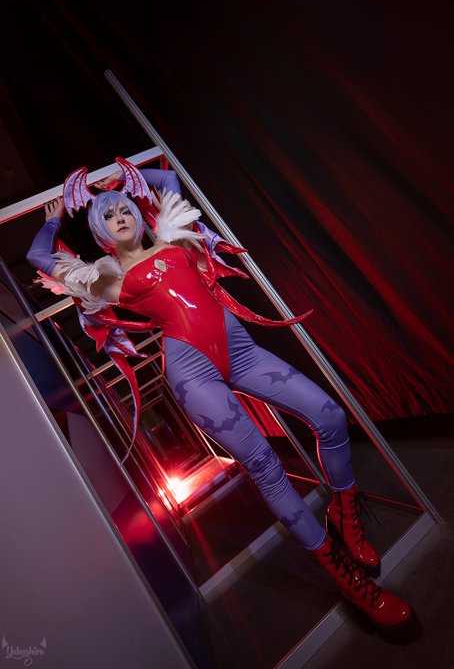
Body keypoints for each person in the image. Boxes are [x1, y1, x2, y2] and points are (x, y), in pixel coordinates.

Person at [27, 159, 414, 631]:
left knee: (330, 415)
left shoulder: (173, 238)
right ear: (99, 233)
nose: (120, 216)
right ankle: (344, 576)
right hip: (193, 373)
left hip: (242, 352)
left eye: (124, 208)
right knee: (265, 466)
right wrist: (53, 220)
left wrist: (123, 180)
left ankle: (344, 509)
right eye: (107, 215)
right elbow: (38, 257)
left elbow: (168, 180)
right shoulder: (107, 279)